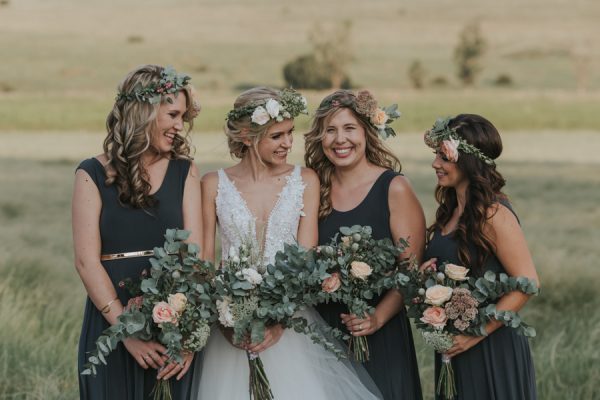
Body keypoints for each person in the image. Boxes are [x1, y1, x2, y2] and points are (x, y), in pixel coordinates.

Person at [193, 87, 382, 400]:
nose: (288, 143)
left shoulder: (304, 180)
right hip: (230, 328)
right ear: (245, 135)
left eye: (290, 133)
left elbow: (305, 260)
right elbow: (204, 263)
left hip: (290, 323)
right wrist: (227, 322)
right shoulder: (213, 184)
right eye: (277, 136)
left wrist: (278, 324)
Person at [72, 64, 202, 400]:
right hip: (111, 317)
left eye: (183, 117)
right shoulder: (91, 173)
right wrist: (125, 333)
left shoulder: (184, 171)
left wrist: (189, 338)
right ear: (143, 111)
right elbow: (87, 261)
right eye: (172, 114)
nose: (179, 126)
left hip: (174, 322)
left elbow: (197, 257)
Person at [305, 89, 424, 400]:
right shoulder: (312, 189)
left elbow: (409, 272)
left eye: (349, 128)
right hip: (323, 334)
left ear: (368, 132)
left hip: (380, 335)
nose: (339, 140)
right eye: (330, 130)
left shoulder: (393, 188)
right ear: (319, 137)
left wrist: (376, 318)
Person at [422, 114, 539, 399]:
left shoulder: (493, 213)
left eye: (443, 156)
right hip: (456, 346)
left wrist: (476, 334)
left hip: (491, 346)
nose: (435, 163)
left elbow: (528, 283)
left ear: (467, 160)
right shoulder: (451, 211)